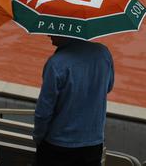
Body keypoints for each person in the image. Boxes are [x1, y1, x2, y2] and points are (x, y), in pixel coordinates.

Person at [33, 35, 114, 166]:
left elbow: (44, 111)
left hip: (57, 145)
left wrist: (38, 137)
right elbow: (108, 87)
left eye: (52, 31)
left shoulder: (55, 63)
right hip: (93, 143)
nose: (48, 35)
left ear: (65, 32)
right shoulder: (103, 53)